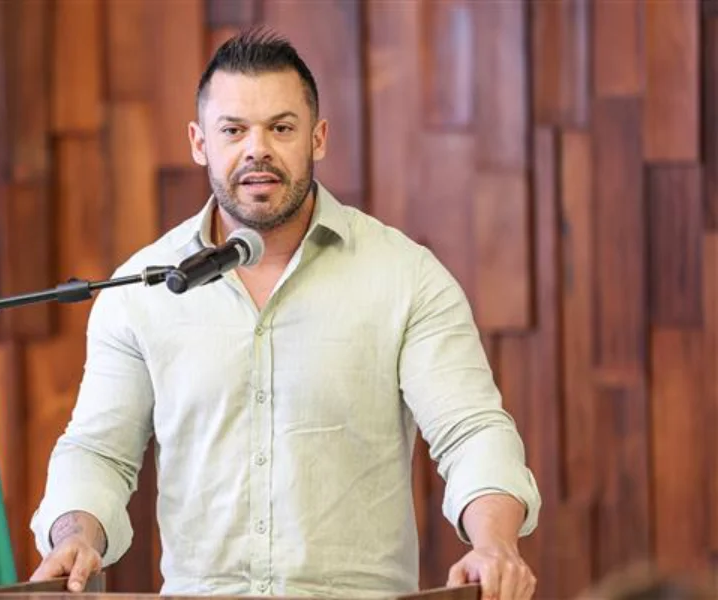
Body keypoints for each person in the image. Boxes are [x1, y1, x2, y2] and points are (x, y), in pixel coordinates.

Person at [30, 26, 541, 599]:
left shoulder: (406, 277)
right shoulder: (142, 288)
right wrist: (72, 536)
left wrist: (495, 541)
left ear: (317, 138)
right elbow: (99, 449)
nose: (257, 149)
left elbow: (470, 430)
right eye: (233, 130)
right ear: (200, 143)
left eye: (281, 128)